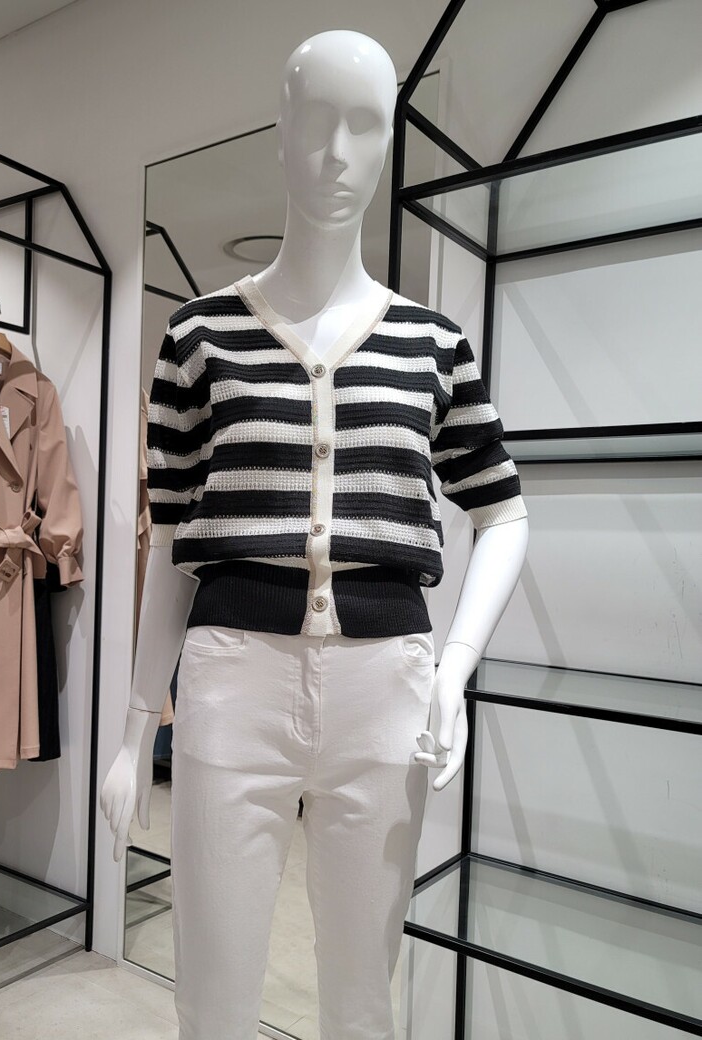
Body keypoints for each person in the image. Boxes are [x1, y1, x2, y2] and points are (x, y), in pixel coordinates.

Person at [101, 29, 529, 1040]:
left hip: (388, 686)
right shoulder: (197, 335)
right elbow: (172, 535)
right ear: (281, 131)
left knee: (361, 994)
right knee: (211, 995)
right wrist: (134, 724)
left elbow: (503, 510)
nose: (338, 154)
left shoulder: (434, 344)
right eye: (318, 122)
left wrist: (454, 669)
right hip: (231, 679)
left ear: (389, 143)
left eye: (365, 125)